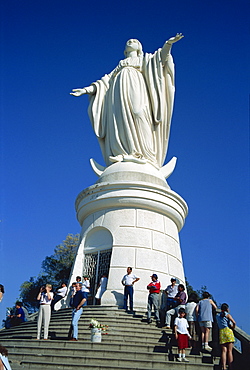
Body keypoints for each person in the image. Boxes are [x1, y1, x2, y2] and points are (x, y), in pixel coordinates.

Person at [70, 34, 184, 168]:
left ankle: (146, 154)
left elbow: (160, 59)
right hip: (118, 92)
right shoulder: (120, 65)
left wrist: (168, 44)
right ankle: (123, 152)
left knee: (139, 113)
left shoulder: (145, 59)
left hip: (136, 86)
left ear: (139, 47)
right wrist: (86, 89)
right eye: (129, 41)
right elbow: (106, 81)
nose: (131, 41)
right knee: (120, 119)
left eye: (135, 41)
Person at [216, 303, 236, 370]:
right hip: (228, 331)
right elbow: (234, 322)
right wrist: (233, 327)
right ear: (227, 309)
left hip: (221, 332)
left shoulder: (218, 316)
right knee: (230, 351)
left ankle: (223, 366)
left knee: (224, 351)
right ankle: (231, 366)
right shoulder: (227, 315)